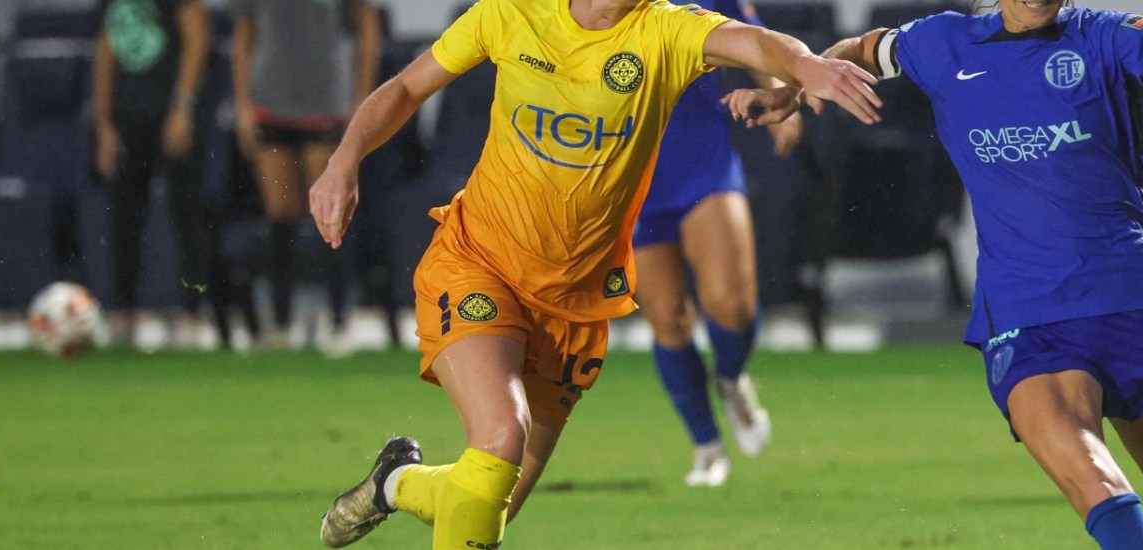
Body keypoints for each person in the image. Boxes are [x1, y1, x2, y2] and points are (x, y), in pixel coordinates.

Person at [304, 0, 882, 547]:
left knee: (488, 501)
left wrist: (805, 65)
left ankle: (394, 482)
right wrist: (344, 160)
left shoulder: (665, 30)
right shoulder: (512, 14)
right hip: (480, 263)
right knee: (503, 434)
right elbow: (407, 86)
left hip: (574, 304)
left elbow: (754, 40)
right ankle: (706, 443)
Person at [731, 0, 1143, 547]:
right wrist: (798, 85)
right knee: (1094, 481)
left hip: (1133, 300)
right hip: (1028, 317)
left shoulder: (1112, 37)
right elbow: (861, 50)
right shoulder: (944, 43)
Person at [634, 0, 795, 488]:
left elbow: (752, 34)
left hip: (700, 159)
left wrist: (779, 94)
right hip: (626, 175)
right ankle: (707, 447)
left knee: (730, 302)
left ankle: (731, 379)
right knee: (667, 318)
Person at [230, 0, 381, 353]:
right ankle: (280, 323)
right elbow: (243, 37)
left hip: (326, 106)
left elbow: (368, 29)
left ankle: (340, 321)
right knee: (279, 214)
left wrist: (361, 102)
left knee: (330, 213)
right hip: (271, 106)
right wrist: (242, 106)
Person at [91, 0, 213, 348]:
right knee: (124, 218)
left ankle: (192, 315)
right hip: (128, 116)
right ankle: (124, 314)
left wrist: (183, 106)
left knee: (187, 214)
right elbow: (106, 49)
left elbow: (197, 39)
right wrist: (103, 125)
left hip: (172, 114)